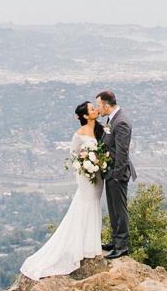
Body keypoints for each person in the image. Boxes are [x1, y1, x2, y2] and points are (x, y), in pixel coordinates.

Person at [19, 101, 105, 279]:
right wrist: (84, 167)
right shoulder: (79, 134)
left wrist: (99, 163)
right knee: (85, 204)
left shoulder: (100, 129)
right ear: (85, 116)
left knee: (95, 203)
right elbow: (73, 155)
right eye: (92, 109)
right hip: (86, 176)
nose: (96, 110)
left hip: (98, 175)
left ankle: (91, 244)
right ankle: (82, 246)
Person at [96, 90, 135, 260]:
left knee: (120, 210)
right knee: (112, 209)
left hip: (117, 173)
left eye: (98, 106)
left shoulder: (121, 123)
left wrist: (117, 175)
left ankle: (122, 246)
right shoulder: (112, 120)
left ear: (106, 105)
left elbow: (122, 152)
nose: (98, 109)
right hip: (110, 172)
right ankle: (114, 240)